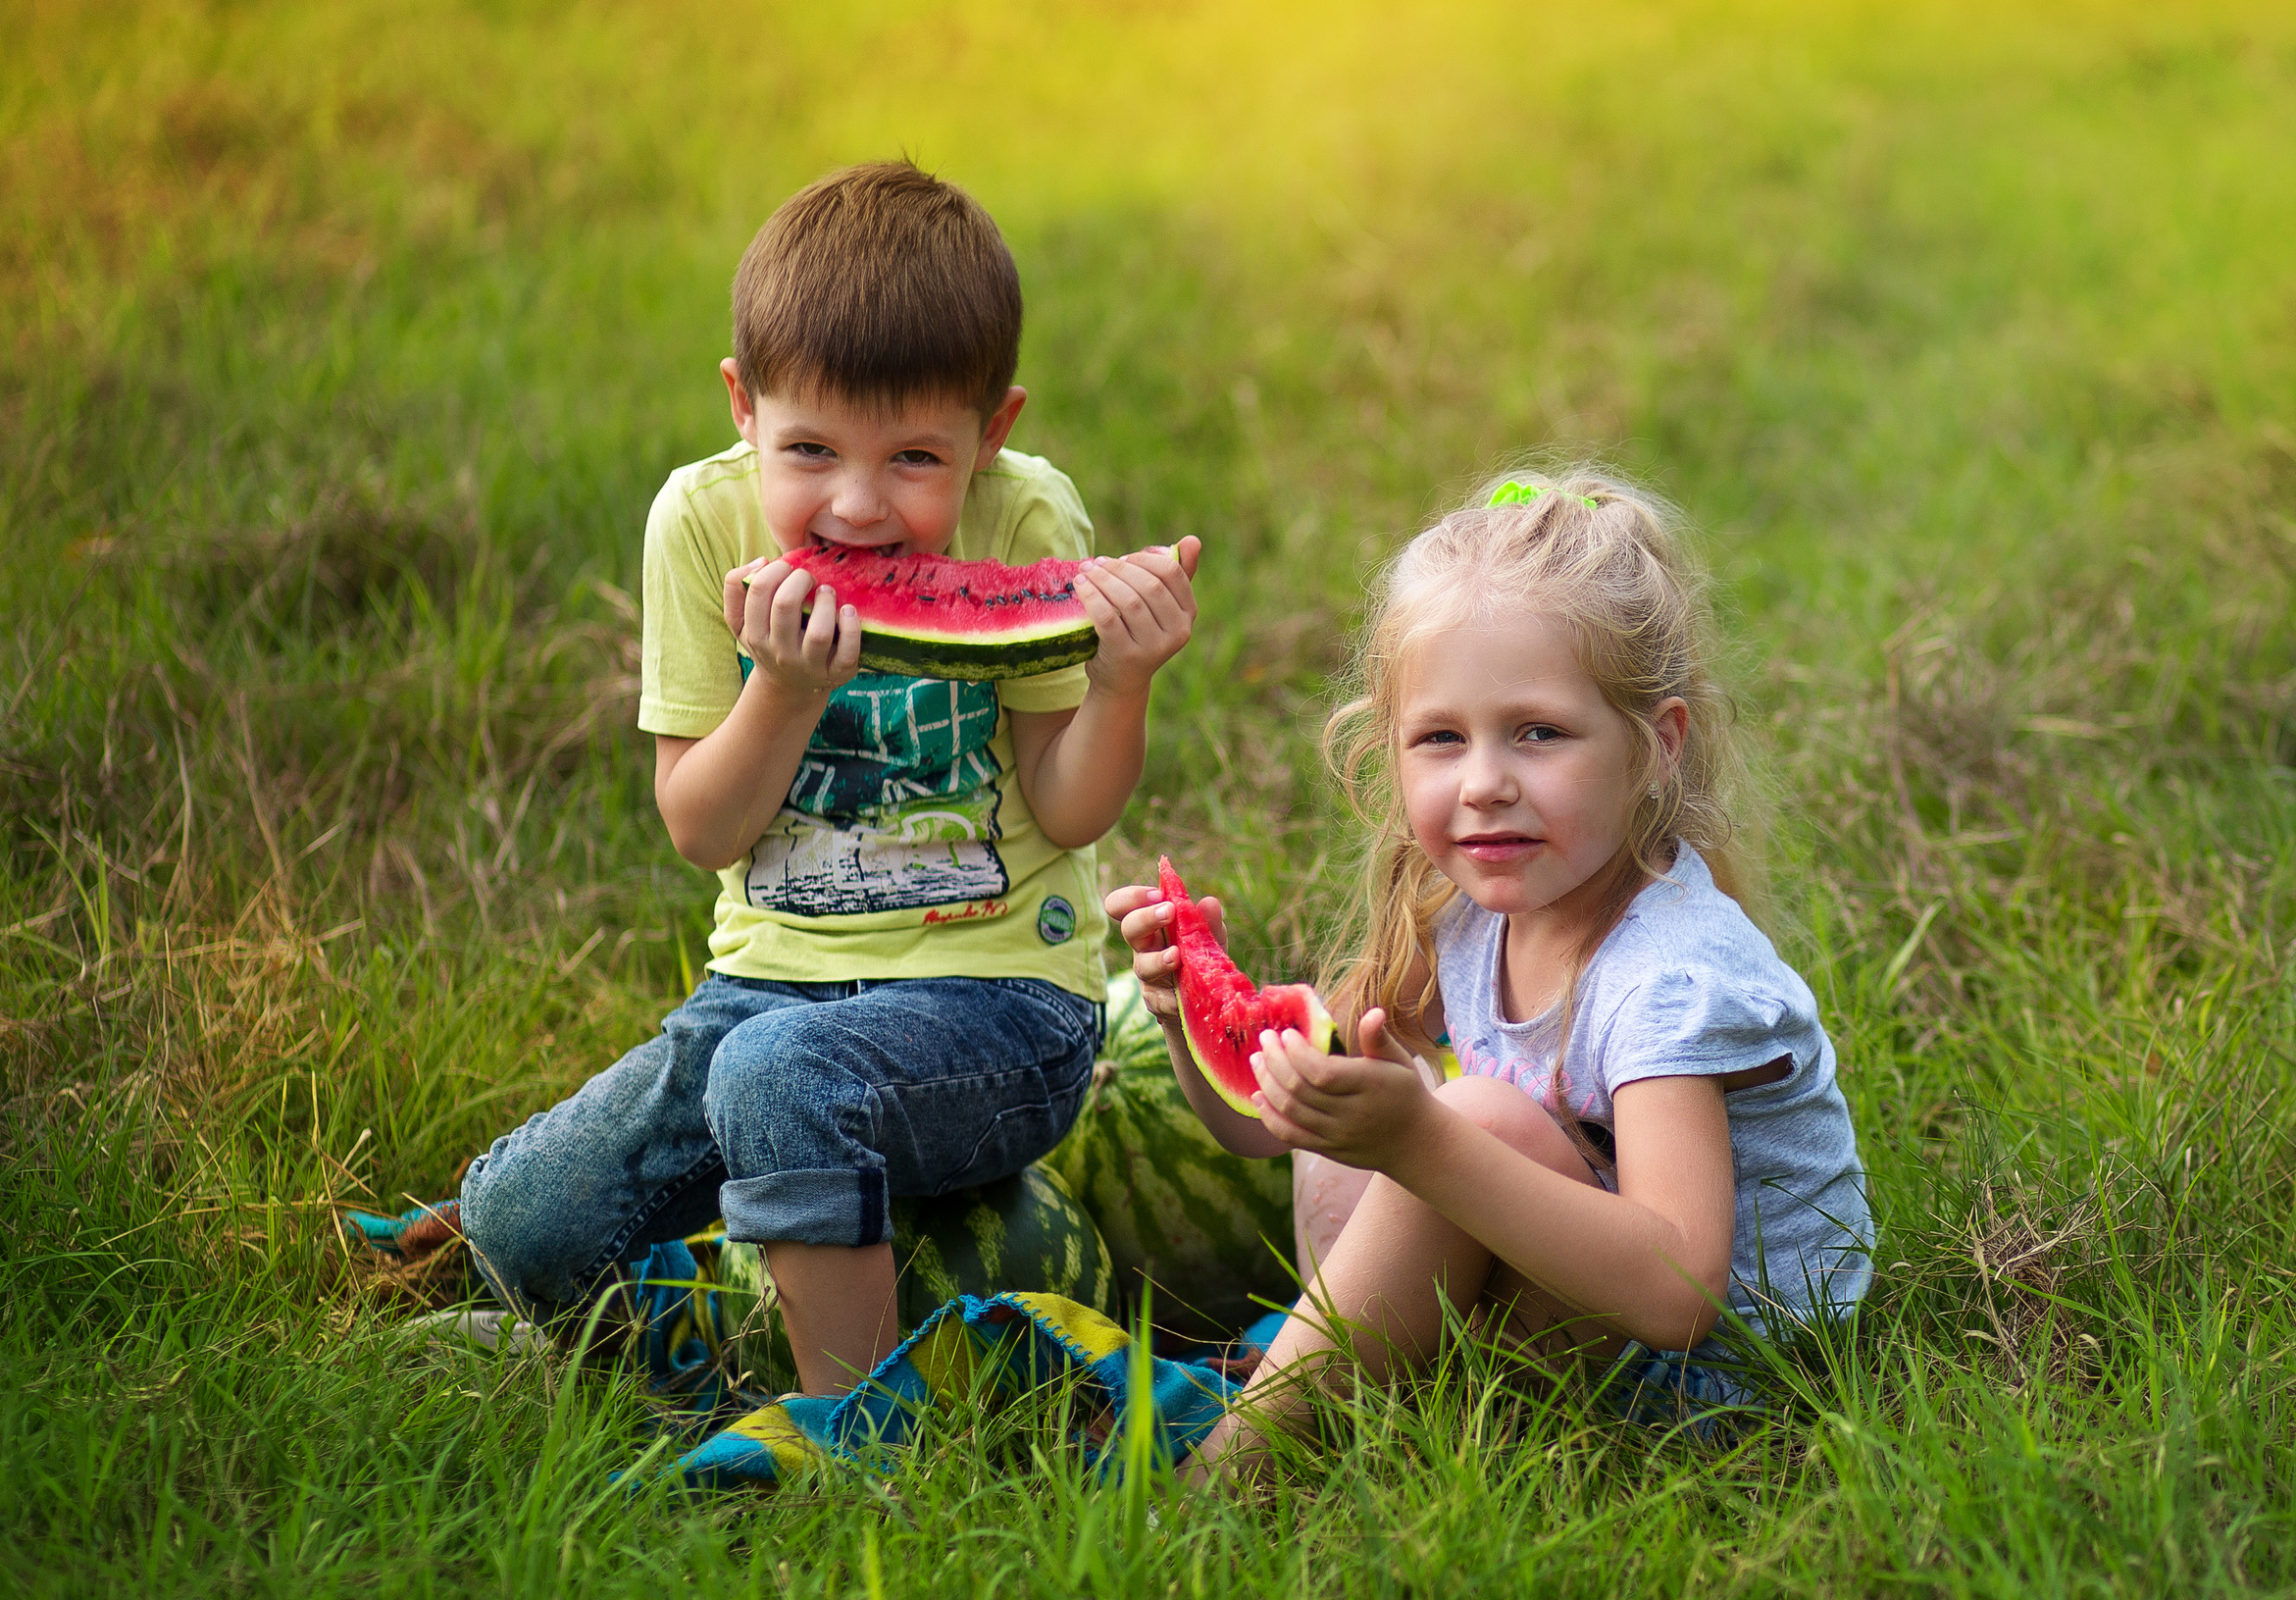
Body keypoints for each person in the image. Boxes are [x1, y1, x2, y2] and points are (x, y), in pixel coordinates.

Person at [460, 161, 1200, 1394]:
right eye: (809, 449)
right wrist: (785, 690)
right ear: (742, 406)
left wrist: (1122, 682)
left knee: (778, 1078)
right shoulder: (699, 524)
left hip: (1004, 1006)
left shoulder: (1027, 520)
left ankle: (853, 1430)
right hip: (764, 990)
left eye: (915, 458)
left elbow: (1069, 806)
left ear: (993, 430)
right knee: (522, 1225)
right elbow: (702, 827)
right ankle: (698, 1313)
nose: (856, 508)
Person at [1107, 471, 1868, 1483]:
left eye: (1539, 732)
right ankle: (1369, 1403)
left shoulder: (1671, 974)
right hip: (1574, 1326)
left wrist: (1424, 1140)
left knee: (1465, 1119)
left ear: (1655, 749)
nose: (1483, 782)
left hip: (1710, 1385)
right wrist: (1176, 1014)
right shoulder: (1468, 910)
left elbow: (1680, 1292)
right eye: (1440, 739)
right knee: (1370, 1105)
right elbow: (1274, 1126)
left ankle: (1222, 1473)